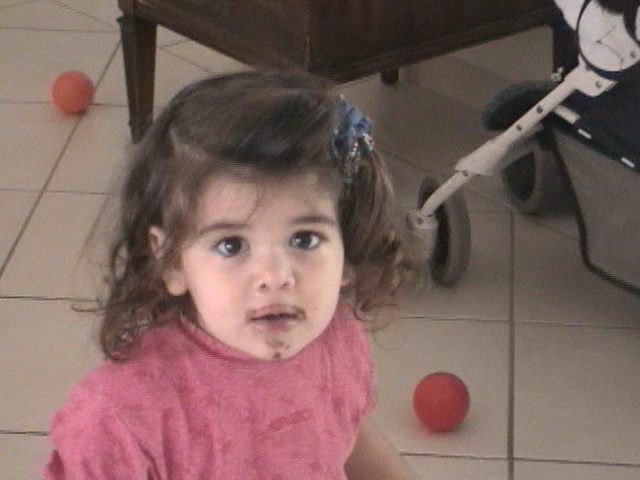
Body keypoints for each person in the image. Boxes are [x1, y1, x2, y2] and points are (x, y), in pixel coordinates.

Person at [43, 71, 420, 480]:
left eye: (305, 239)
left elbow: (347, 436)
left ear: (347, 250)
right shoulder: (121, 421)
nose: (275, 276)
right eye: (231, 245)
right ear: (170, 261)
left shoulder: (336, 340)